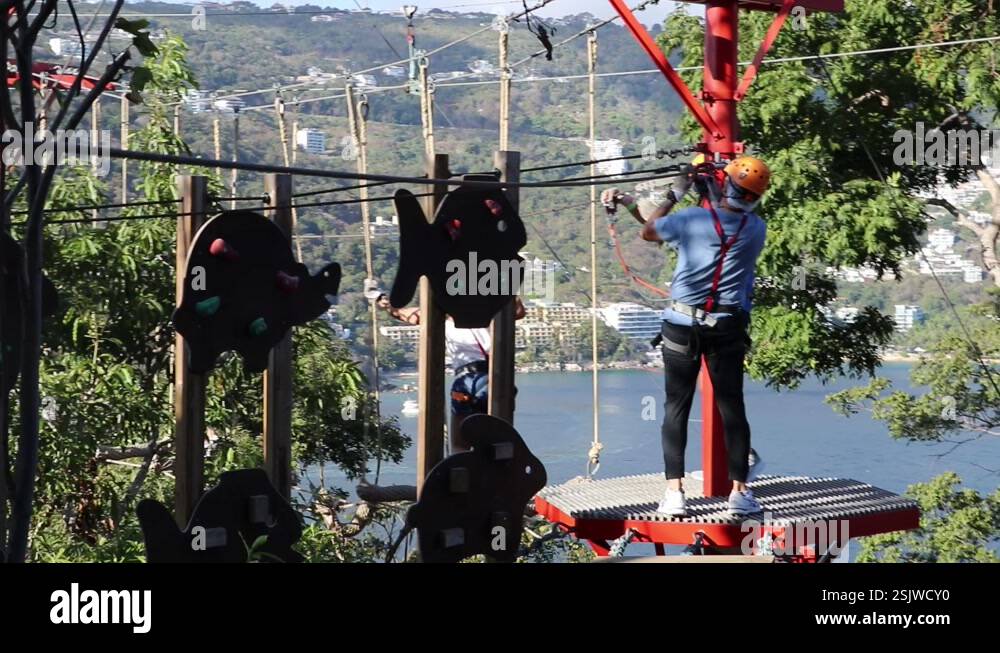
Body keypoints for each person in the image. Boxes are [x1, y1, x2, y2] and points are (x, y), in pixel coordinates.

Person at [601, 156, 770, 517]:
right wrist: (711, 187)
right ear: (756, 197)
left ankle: (674, 493)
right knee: (732, 407)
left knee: (676, 407)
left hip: (681, 323)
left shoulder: (692, 219)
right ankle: (740, 492)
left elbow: (651, 231)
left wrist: (676, 191)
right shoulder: (757, 229)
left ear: (726, 186)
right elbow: (723, 221)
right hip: (727, 325)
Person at [376, 294, 525, 453]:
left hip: (463, 382)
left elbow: (404, 314)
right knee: (498, 442)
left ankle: (461, 469)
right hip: (492, 378)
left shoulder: (442, 318)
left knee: (459, 445)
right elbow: (518, 311)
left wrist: (385, 303)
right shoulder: (488, 312)